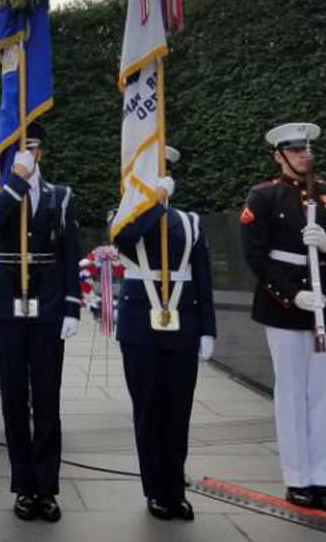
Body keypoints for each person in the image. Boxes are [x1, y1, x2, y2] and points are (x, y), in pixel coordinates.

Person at [240, 123, 326, 514]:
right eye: (294, 150)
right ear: (279, 155)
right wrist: (292, 295)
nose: (303, 156)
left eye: (307, 149)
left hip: (325, 300)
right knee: (291, 394)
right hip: (285, 305)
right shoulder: (263, 196)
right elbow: (256, 256)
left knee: (323, 396)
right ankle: (296, 479)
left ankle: (322, 479)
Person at [0, 122, 81, 522]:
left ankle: (46, 485)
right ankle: (23, 485)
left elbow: (71, 253)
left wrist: (72, 306)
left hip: (49, 302)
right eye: (22, 148)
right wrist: (16, 182)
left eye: (34, 147)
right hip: (8, 306)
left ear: (42, 152)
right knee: (14, 398)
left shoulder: (62, 195)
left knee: (48, 397)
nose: (29, 153)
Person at [113, 146, 216, 521]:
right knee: (149, 409)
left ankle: (175, 490)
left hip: (183, 322)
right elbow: (127, 239)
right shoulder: (122, 216)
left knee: (178, 410)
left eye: (166, 173)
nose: (163, 179)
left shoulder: (190, 221)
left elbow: (203, 277)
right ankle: (155, 490)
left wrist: (208, 329)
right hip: (140, 325)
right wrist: (153, 202)